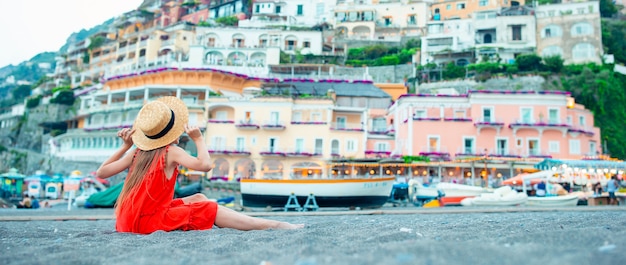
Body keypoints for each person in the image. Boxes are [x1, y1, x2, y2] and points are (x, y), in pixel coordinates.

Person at [95, 97, 303, 234]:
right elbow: (205, 165)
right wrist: (199, 139)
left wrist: (125, 146)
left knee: (198, 198)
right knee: (207, 207)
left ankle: (225, 220)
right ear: (172, 133)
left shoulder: (138, 153)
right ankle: (273, 225)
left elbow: (101, 172)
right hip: (148, 223)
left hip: (128, 221)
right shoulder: (170, 152)